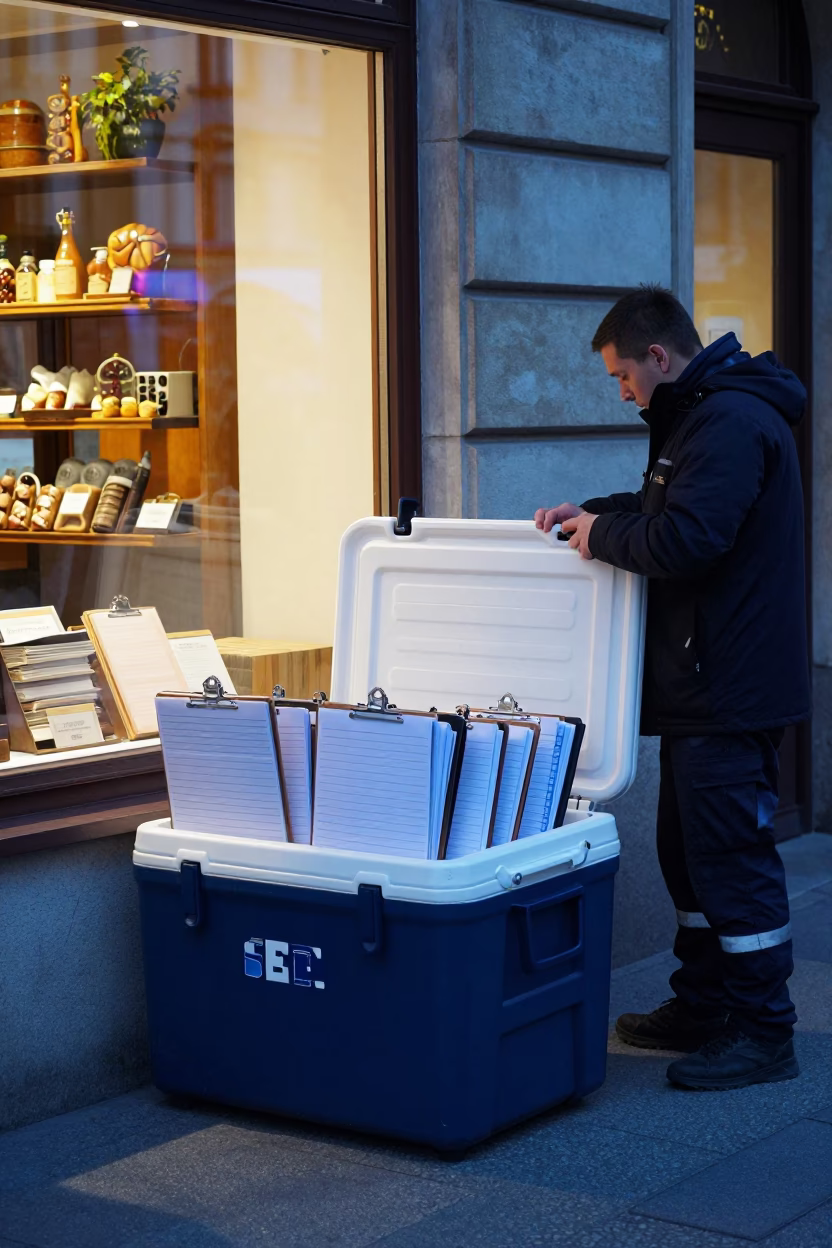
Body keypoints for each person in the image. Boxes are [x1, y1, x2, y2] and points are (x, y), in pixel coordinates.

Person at [535, 284, 810, 1091]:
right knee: (687, 857)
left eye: (623, 375)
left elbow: (689, 537)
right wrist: (590, 513)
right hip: (707, 683)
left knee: (728, 859)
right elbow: (665, 508)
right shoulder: (700, 416)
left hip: (730, 687)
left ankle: (764, 1031)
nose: (621, 392)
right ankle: (705, 1003)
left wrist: (602, 537)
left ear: (659, 356)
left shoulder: (726, 420)